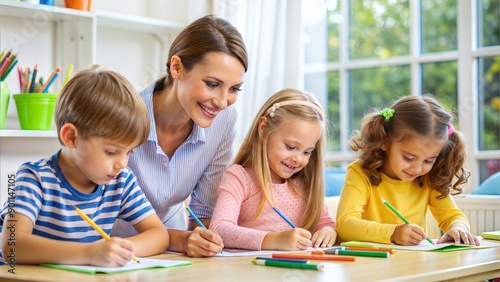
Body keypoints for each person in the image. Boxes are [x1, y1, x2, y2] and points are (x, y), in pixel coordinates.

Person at [0, 65, 169, 266]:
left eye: (129, 152)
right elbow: (12, 246)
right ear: (71, 137)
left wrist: (118, 251)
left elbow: (159, 235)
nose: (122, 164)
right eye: (111, 152)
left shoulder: (122, 181)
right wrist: (89, 254)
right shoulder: (33, 177)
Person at [110, 15, 248, 257]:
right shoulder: (123, 115)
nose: (223, 101)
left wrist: (203, 242)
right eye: (212, 84)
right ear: (177, 68)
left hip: (168, 255)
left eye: (234, 88)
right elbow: (97, 211)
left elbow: (203, 214)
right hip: (109, 250)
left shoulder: (224, 122)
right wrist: (179, 240)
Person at [336, 95, 481, 246]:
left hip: (412, 263)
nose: (417, 168)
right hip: (368, 262)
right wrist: (393, 233)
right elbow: (345, 225)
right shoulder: (360, 172)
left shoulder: (428, 177)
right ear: (385, 141)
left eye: (428, 160)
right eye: (409, 158)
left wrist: (458, 228)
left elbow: (452, 215)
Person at [209, 88, 337, 251]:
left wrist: (327, 231)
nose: (298, 158)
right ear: (263, 128)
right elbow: (219, 229)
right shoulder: (239, 178)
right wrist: (274, 240)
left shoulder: (304, 184)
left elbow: (325, 224)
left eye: (307, 152)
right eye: (290, 147)